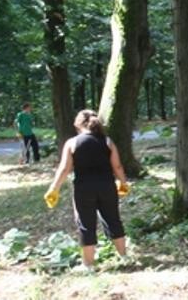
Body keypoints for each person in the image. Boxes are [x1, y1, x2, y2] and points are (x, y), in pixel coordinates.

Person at [44, 110, 131, 272]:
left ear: (78, 124)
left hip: (84, 188)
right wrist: (123, 183)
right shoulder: (107, 141)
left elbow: (64, 169)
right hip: (107, 186)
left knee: (85, 224)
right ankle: (124, 256)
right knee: (113, 219)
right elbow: (117, 166)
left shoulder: (72, 143)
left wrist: (53, 188)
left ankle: (88, 265)